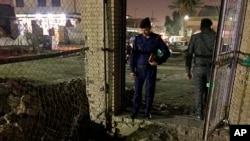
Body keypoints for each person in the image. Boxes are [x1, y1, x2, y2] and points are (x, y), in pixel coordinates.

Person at [130, 17, 171, 120]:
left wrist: (158, 61)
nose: (144, 31)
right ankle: (135, 111)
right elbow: (133, 55)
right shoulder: (138, 39)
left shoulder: (156, 39)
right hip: (139, 70)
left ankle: (147, 112)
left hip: (150, 70)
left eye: (146, 29)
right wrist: (131, 70)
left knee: (149, 92)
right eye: (142, 29)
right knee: (137, 92)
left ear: (150, 28)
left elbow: (166, 52)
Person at [185, 18, 216, 120]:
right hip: (211, 71)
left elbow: (189, 55)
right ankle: (209, 112)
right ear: (210, 26)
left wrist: (188, 71)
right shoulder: (216, 37)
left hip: (198, 69)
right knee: (209, 89)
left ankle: (199, 114)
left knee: (199, 91)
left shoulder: (195, 38)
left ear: (201, 27)